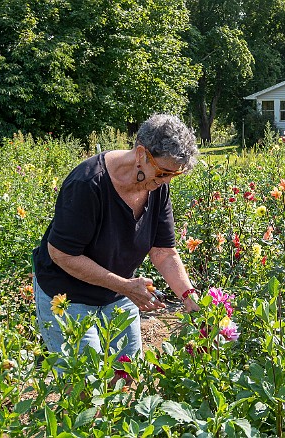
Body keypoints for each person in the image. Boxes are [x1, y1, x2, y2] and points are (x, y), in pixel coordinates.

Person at [32, 114, 199, 361]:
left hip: (117, 293)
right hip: (67, 297)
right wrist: (125, 286)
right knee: (84, 384)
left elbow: (163, 252)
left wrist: (189, 296)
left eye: (174, 175)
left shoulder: (157, 187)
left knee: (127, 370)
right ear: (141, 154)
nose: (166, 181)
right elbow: (62, 254)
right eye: (163, 173)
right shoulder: (88, 183)